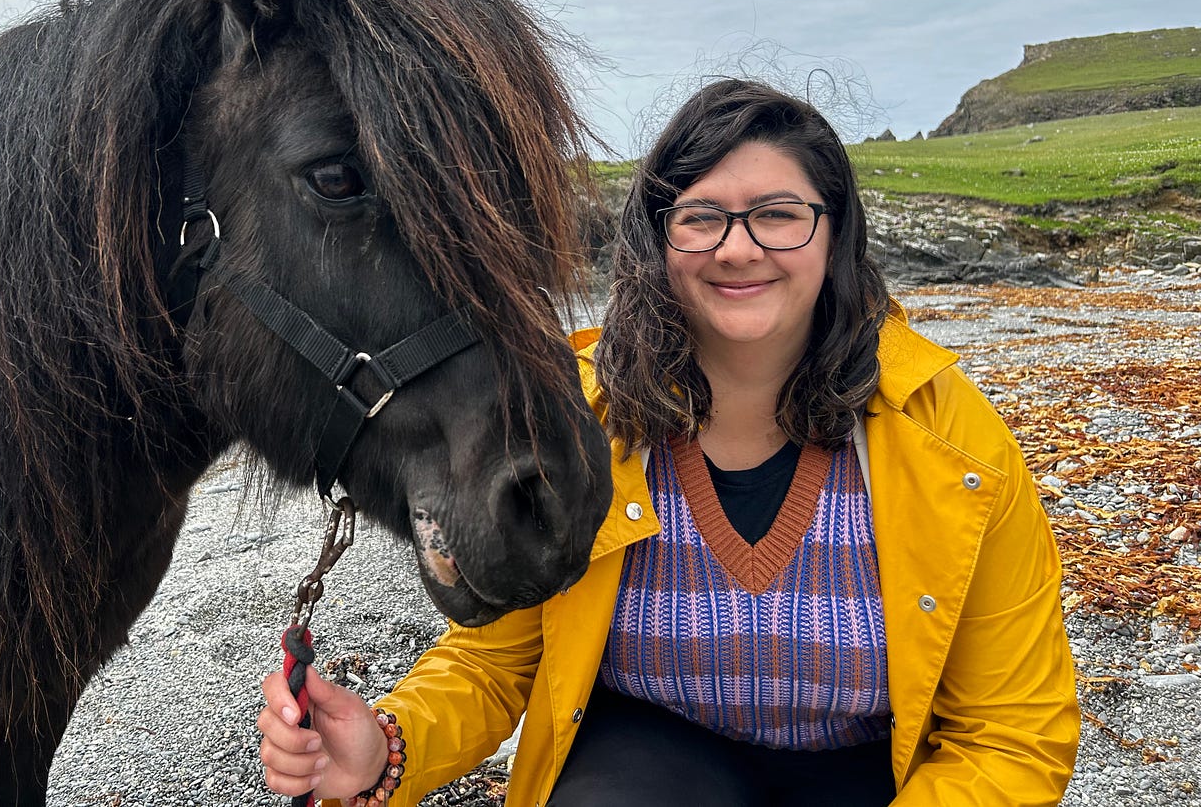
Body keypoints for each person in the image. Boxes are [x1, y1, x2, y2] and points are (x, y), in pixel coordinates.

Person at [258, 79, 1080, 806]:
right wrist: (384, 749)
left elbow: (1010, 731)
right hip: (648, 747)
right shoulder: (584, 411)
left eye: (779, 216)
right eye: (702, 218)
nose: (738, 247)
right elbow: (494, 662)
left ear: (834, 237)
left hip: (876, 767)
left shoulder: (947, 428)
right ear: (658, 240)